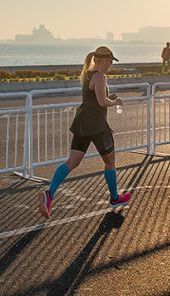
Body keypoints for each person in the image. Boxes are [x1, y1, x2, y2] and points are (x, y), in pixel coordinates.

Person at [38, 46, 132, 219]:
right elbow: (102, 103)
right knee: (110, 161)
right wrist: (116, 101)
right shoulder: (100, 76)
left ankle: (49, 194)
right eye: (110, 60)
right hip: (97, 125)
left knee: (72, 162)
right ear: (103, 61)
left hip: (82, 122)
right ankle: (115, 198)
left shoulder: (88, 74)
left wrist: (108, 100)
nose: (111, 64)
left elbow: (95, 100)